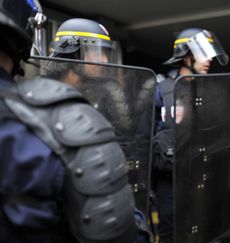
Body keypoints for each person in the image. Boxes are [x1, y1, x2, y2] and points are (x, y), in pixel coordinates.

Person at [0, 2, 150, 242]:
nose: (104, 58)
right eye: (97, 50)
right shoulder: (36, 102)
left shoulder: (100, 96)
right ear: (72, 50)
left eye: (106, 50)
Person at [151, 27, 229, 243]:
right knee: (170, 234)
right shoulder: (162, 91)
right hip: (170, 182)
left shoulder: (212, 91)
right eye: (203, 54)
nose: (209, 60)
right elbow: (146, 138)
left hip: (204, 180)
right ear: (186, 56)